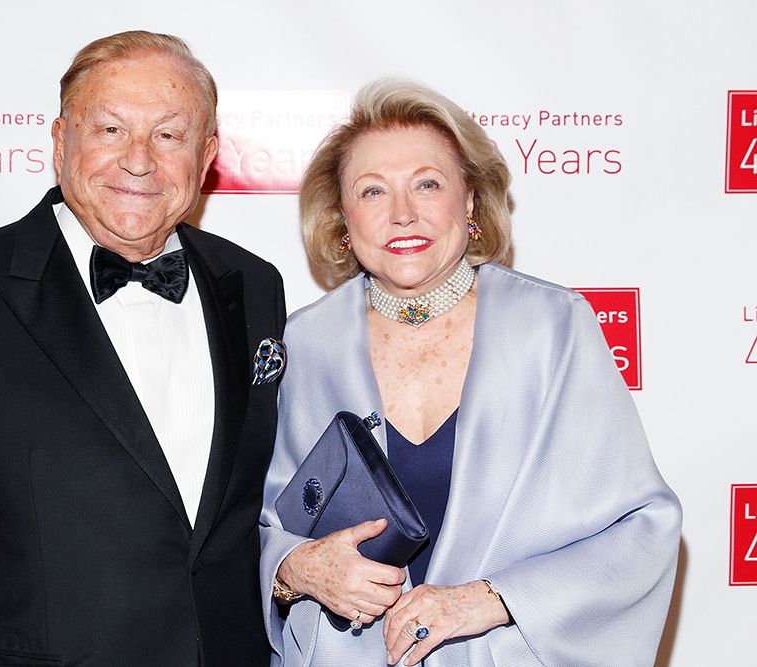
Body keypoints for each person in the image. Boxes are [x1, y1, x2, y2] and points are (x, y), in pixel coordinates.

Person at [0, 31, 285, 667]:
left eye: (169, 135)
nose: (139, 160)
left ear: (207, 156)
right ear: (60, 143)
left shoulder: (254, 285)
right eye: (109, 129)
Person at [259, 79, 681, 666]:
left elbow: (638, 531)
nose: (403, 213)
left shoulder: (552, 329)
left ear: (473, 201)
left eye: (427, 184)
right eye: (373, 191)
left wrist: (489, 600)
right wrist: (296, 569)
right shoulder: (306, 342)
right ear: (342, 219)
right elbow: (260, 524)